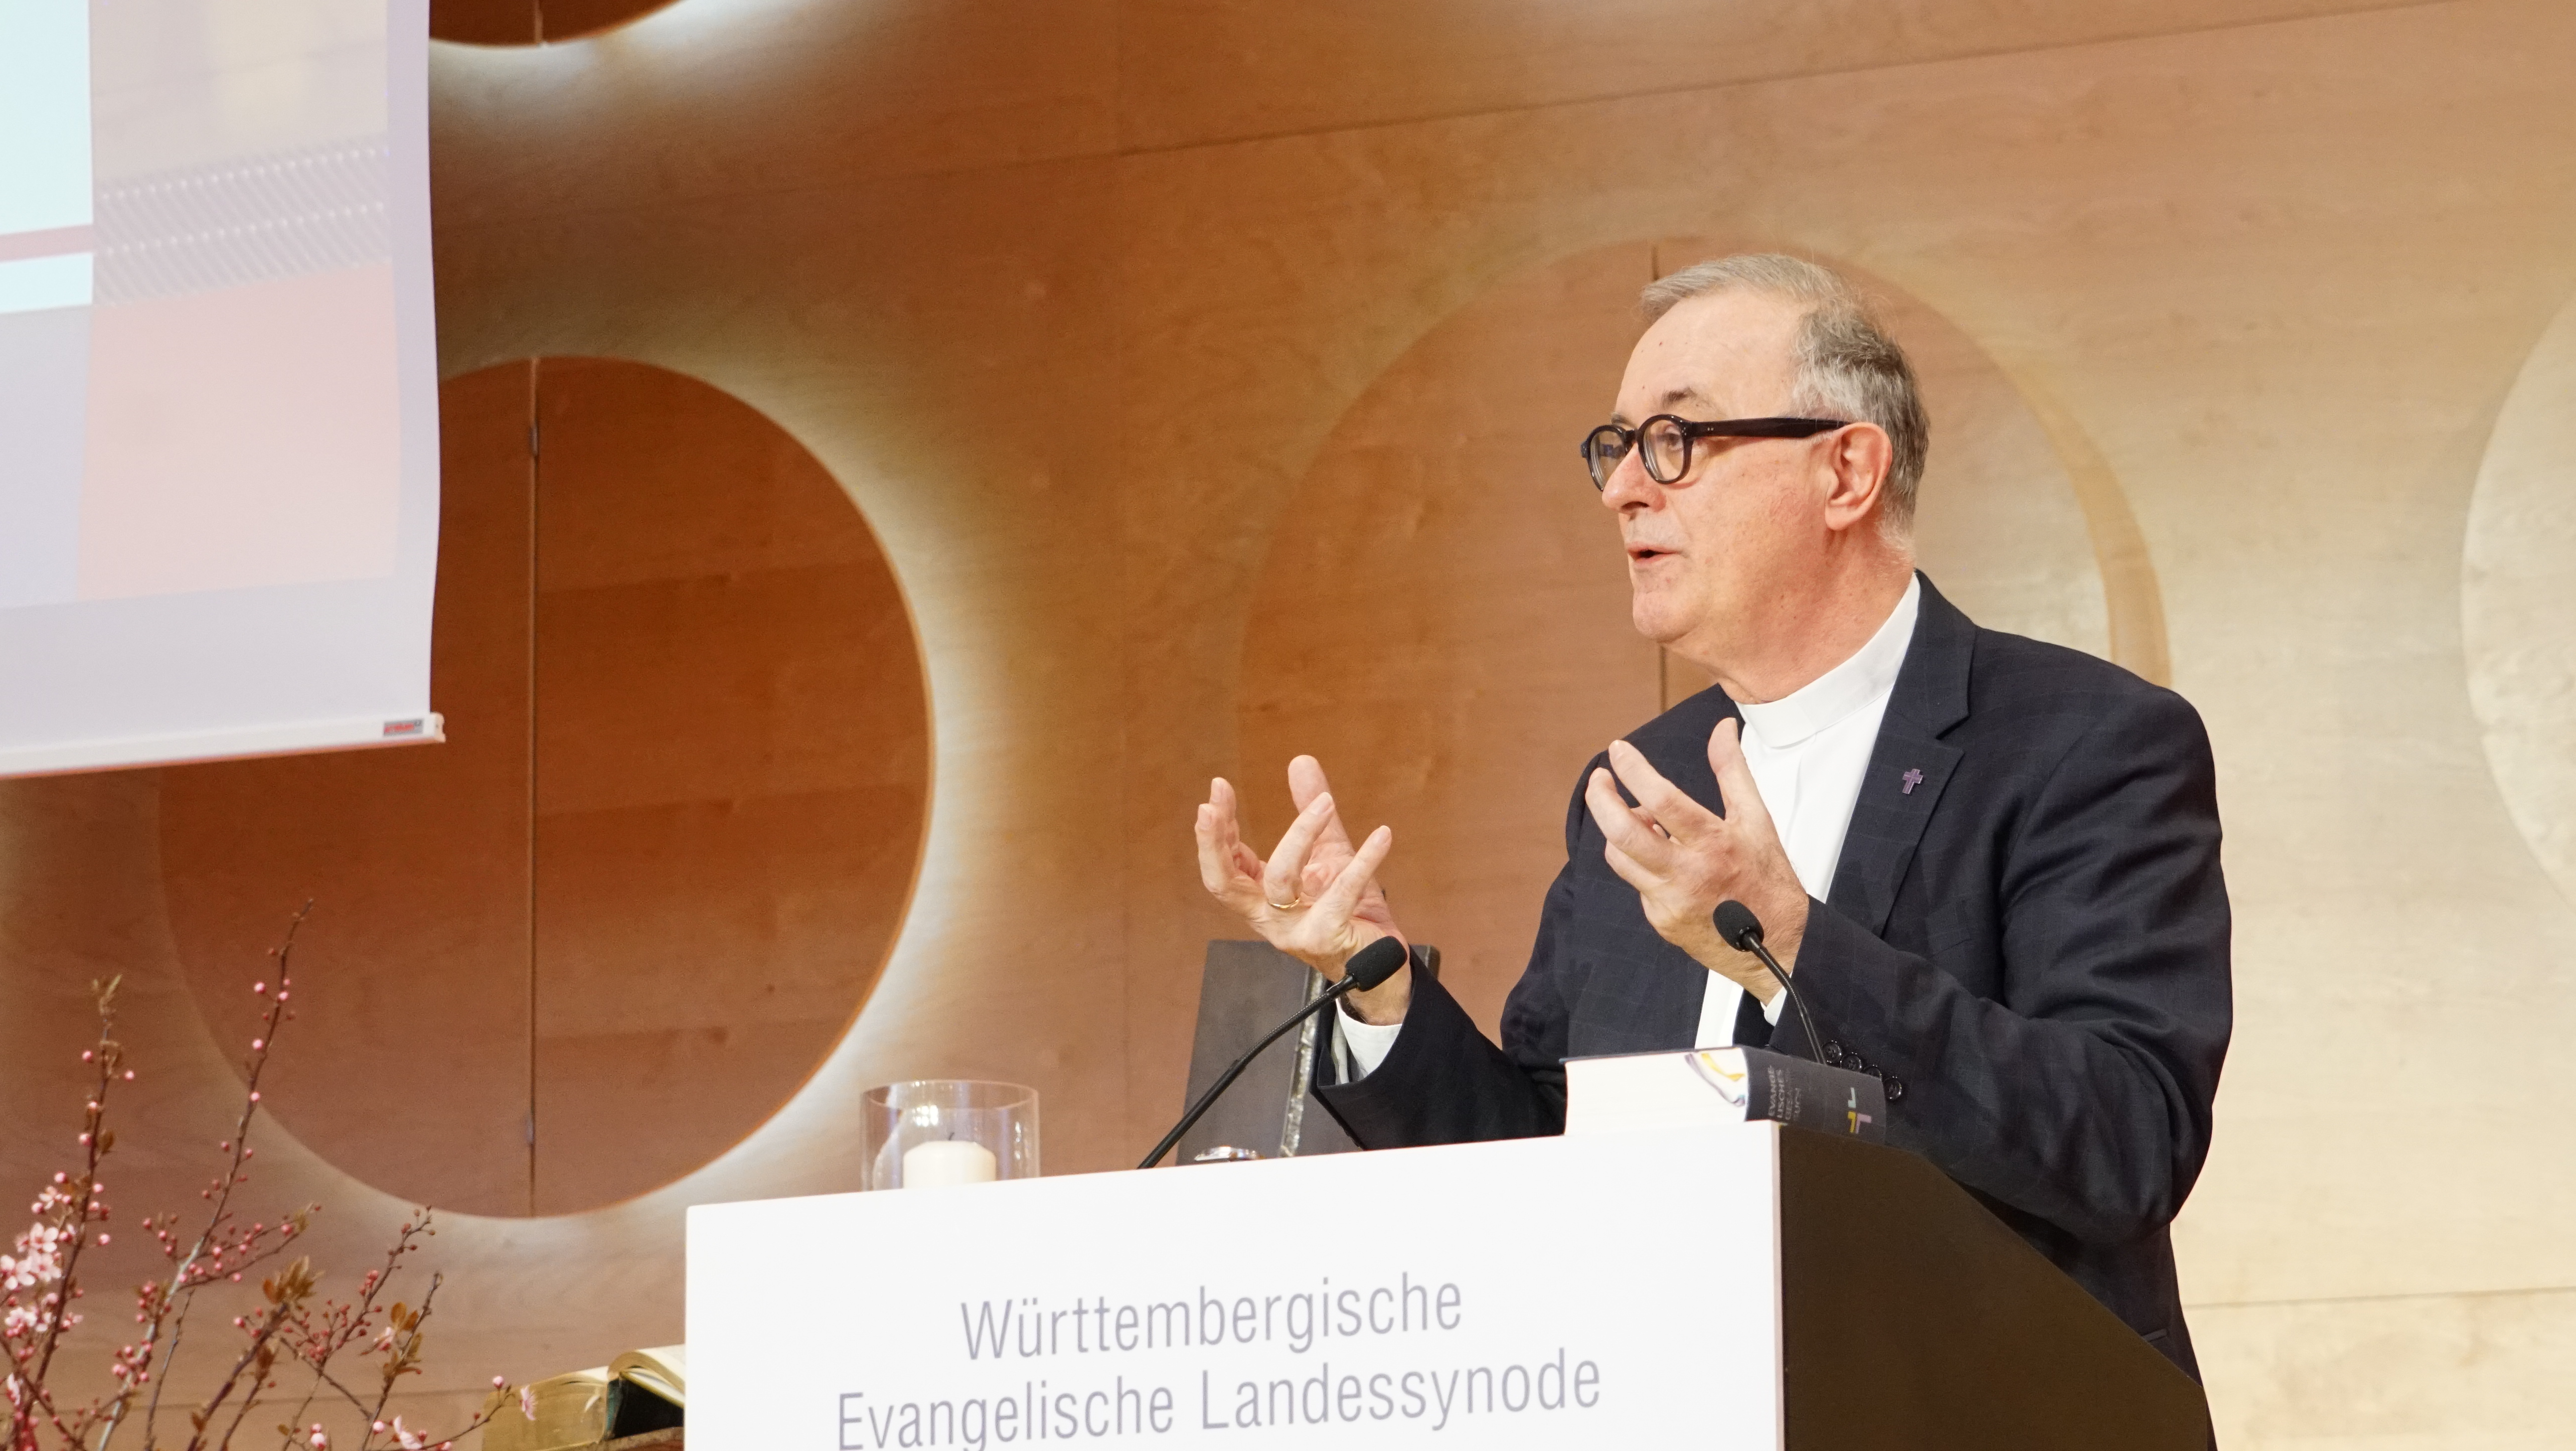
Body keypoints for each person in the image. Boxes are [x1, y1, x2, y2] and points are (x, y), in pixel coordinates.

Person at [1191, 254, 2232, 1378]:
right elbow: (1544, 1156)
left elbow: (2128, 1139)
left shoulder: (2084, 742)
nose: (1623, 490)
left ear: (1846, 472)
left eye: (1675, 440)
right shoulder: (1638, 786)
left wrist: (1791, 941)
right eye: (1616, 446)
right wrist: (1383, 987)